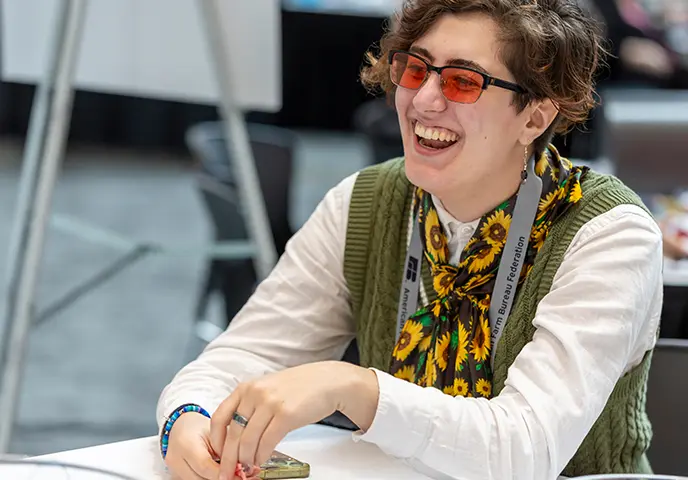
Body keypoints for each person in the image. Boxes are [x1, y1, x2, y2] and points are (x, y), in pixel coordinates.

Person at [157, 1, 663, 479]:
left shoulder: (608, 234)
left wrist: (355, 388)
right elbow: (238, 358)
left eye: (463, 81)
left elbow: (525, 450)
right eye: (417, 70)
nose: (422, 100)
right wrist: (189, 418)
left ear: (534, 117)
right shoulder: (365, 203)